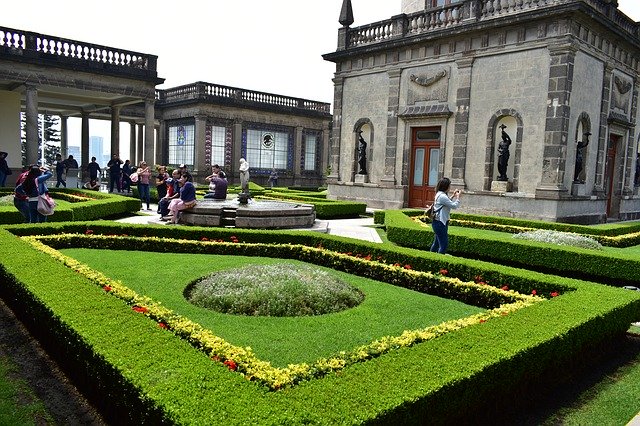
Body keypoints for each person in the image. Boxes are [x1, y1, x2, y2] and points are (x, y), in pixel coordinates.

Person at [429, 177, 462, 254]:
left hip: (438, 222)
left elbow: (445, 203)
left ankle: (430, 257)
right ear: (446, 186)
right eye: (449, 186)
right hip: (440, 223)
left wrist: (453, 196)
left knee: (436, 244)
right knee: (443, 245)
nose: (450, 187)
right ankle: (439, 262)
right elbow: (454, 206)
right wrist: (458, 197)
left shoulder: (439, 194)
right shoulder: (442, 196)